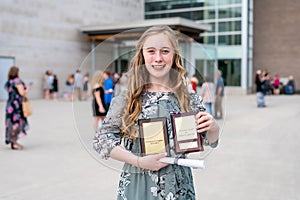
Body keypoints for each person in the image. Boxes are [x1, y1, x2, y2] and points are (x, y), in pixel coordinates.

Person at [93, 26, 219, 199]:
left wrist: (213, 128)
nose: (158, 58)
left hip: (179, 187)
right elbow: (102, 140)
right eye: (151, 51)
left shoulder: (188, 96)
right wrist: (138, 161)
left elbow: (209, 140)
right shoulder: (128, 98)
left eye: (165, 51)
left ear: (174, 55)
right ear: (142, 55)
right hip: (139, 185)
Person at [4, 66, 30, 150]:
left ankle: (13, 142)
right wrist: (28, 89)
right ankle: (14, 144)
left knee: (11, 123)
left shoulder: (8, 82)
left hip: (10, 105)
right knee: (17, 124)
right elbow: (22, 93)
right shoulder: (17, 81)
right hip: (16, 106)